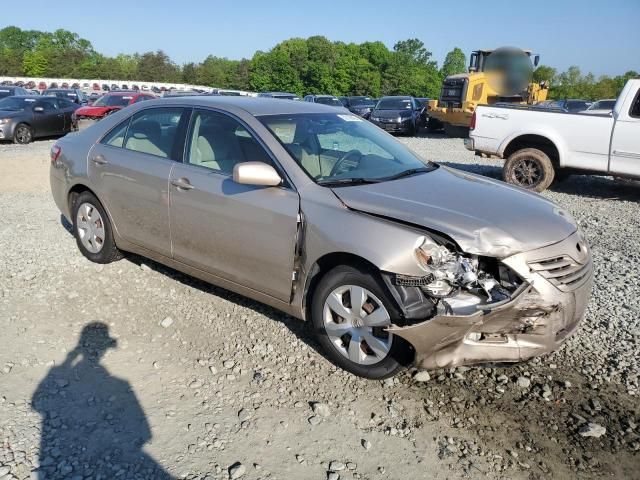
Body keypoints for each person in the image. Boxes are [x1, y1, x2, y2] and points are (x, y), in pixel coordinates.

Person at [31, 322, 173, 479]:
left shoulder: (60, 372)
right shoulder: (120, 383)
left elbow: (36, 403)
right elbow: (145, 433)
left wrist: (68, 360)